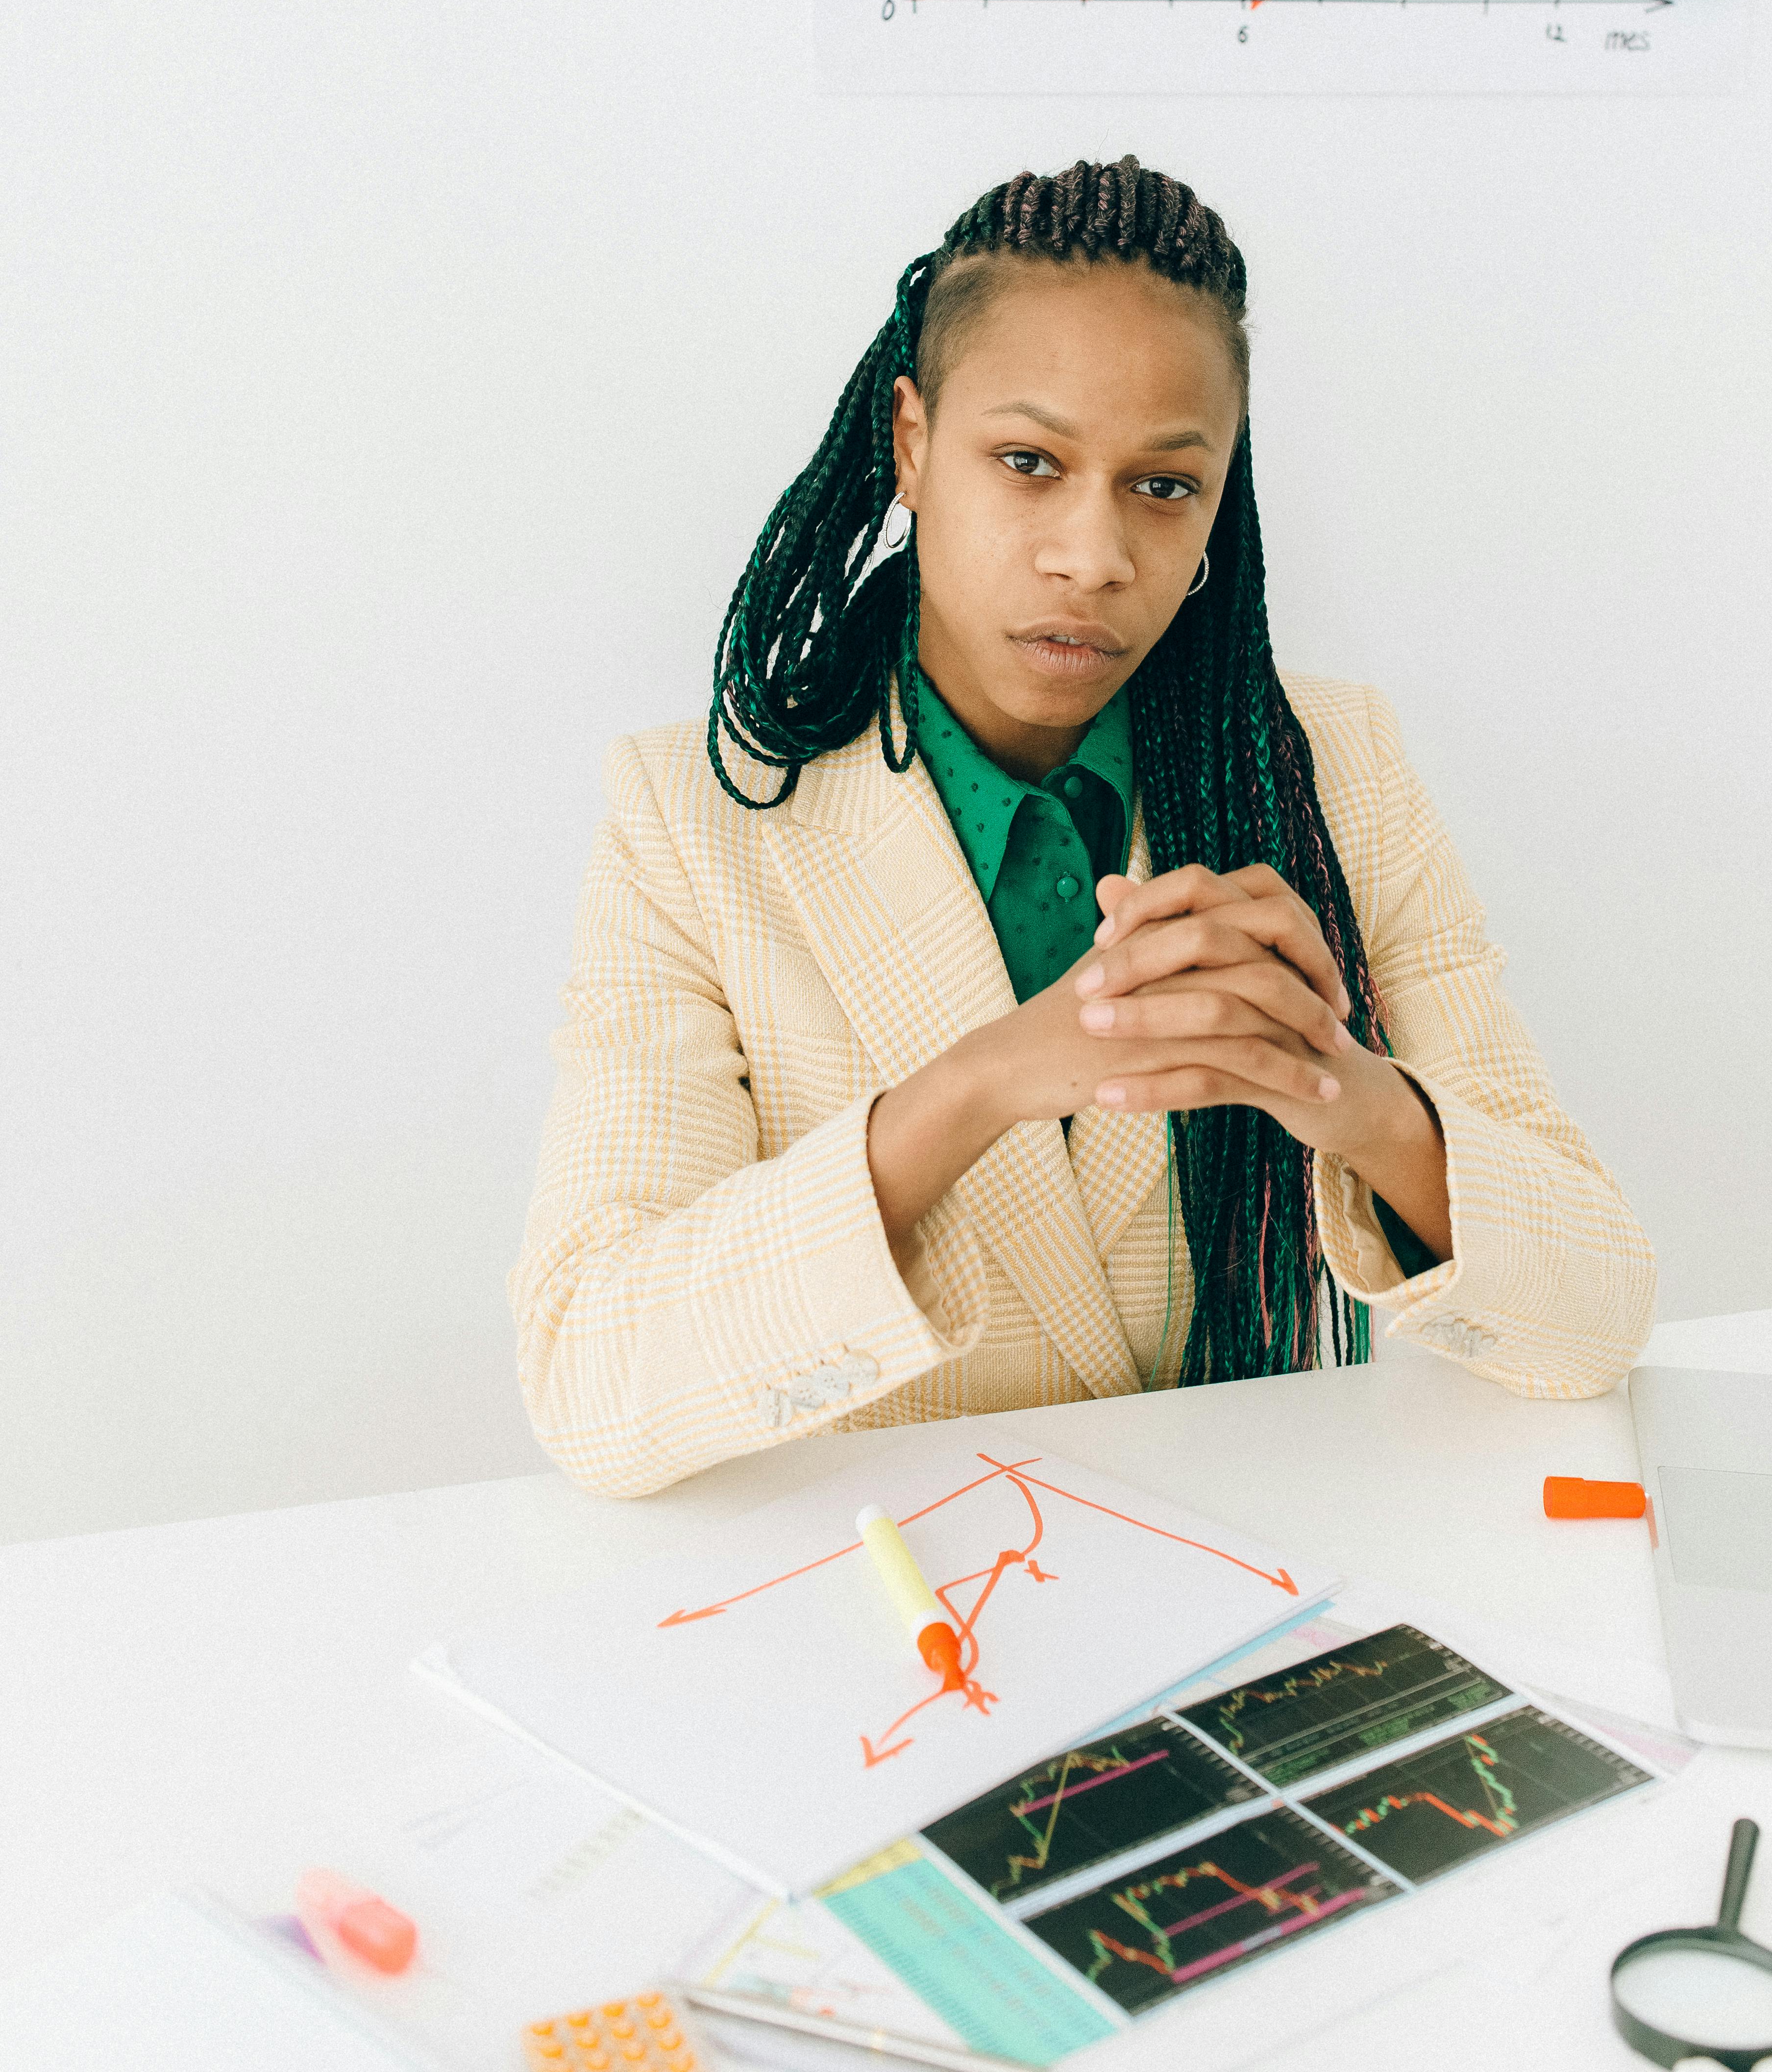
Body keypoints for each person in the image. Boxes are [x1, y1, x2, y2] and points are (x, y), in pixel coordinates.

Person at [513, 156, 1653, 1496]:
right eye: (1028, 462)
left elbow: (1595, 1322)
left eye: (1163, 487)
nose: (1094, 556)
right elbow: (590, 1386)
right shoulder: (698, 817)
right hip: (910, 1606)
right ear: (911, 444)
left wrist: (1340, 1089)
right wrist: (981, 1084)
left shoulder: (1329, 770)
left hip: (1252, 1589)